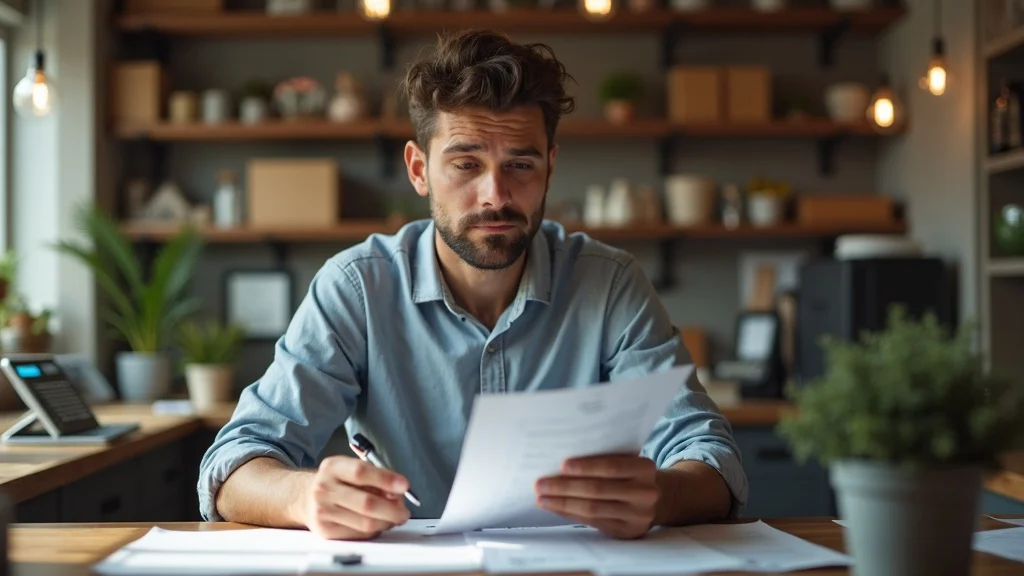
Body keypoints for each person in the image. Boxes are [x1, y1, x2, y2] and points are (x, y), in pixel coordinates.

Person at [198, 28, 748, 542]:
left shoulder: (609, 285)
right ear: (419, 170)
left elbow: (710, 456)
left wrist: (663, 495)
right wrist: (303, 496)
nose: (495, 195)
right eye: (465, 164)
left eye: (521, 165)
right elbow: (235, 462)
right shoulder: (357, 287)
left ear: (551, 167)